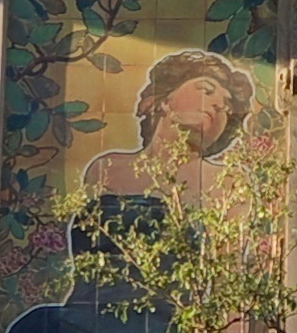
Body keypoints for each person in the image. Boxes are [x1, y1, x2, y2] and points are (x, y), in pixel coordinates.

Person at [79, 48, 258, 215]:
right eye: (206, 90)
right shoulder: (108, 169)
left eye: (228, 107)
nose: (219, 105)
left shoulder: (230, 181)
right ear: (165, 100)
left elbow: (230, 247)